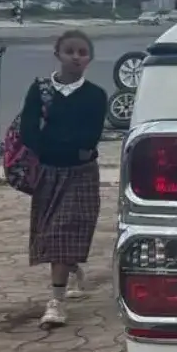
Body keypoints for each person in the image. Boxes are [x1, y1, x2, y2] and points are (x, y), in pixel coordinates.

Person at [18, 30, 109, 328]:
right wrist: (45, 150)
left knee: (66, 229)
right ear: (57, 53)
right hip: (48, 170)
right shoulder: (40, 89)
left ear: (89, 58)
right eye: (70, 50)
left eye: (82, 52)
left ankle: (56, 302)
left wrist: (72, 148)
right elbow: (28, 128)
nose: (76, 56)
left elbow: (91, 135)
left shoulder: (96, 95)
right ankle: (71, 269)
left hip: (81, 171)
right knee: (53, 233)